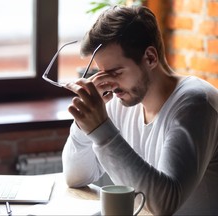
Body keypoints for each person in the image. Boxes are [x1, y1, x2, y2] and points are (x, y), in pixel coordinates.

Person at [61, 5, 218, 215]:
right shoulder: (121, 101)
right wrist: (83, 124)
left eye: (115, 72)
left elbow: (164, 205)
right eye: (101, 73)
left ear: (151, 58)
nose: (109, 83)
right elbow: (75, 177)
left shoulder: (195, 104)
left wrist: (101, 131)